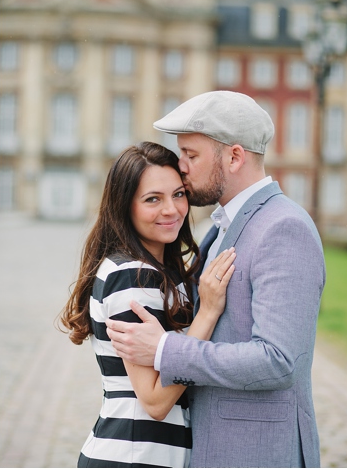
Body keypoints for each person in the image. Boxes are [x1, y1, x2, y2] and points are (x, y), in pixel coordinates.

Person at [103, 91, 326, 468]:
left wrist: (166, 350)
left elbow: (279, 360)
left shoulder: (283, 227)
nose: (181, 166)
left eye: (191, 155)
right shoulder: (219, 228)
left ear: (234, 157)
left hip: (255, 452)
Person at [60, 142, 236, 467]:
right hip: (132, 455)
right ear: (125, 206)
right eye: (153, 199)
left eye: (178, 194)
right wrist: (208, 313)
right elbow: (155, 402)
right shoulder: (133, 275)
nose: (171, 210)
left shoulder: (153, 271)